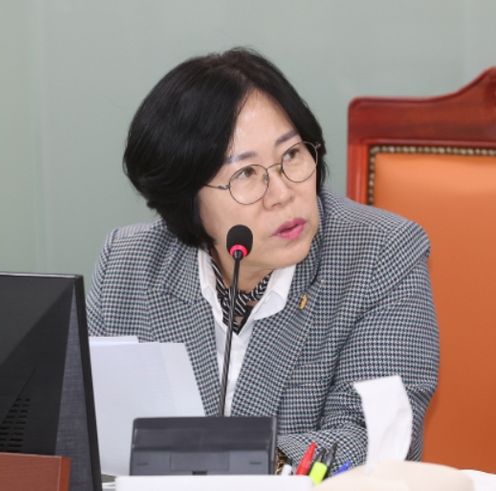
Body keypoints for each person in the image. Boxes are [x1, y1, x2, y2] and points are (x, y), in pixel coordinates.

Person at [86, 47, 439, 469]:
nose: (283, 193)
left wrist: (233, 464)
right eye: (246, 174)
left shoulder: (382, 253)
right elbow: (83, 427)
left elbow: (372, 436)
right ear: (187, 200)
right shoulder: (128, 265)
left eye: (291, 155)